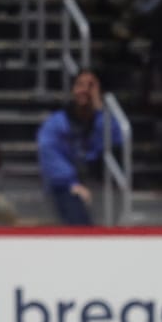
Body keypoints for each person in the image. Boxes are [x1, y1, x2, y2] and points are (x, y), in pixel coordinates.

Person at [37, 69, 119, 226]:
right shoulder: (57, 123)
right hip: (66, 185)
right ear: (73, 89)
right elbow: (49, 153)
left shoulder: (102, 121)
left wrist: (99, 109)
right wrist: (71, 183)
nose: (85, 90)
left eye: (91, 86)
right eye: (80, 85)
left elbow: (115, 140)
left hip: (96, 178)